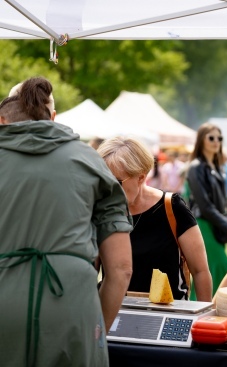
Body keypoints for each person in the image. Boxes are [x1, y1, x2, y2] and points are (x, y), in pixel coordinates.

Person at [0, 77, 133, 366]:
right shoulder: (89, 160)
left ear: (2, 118)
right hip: (72, 306)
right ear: (54, 118)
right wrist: (95, 332)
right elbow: (121, 269)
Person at [98, 137, 212, 302]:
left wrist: (203, 319)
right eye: (102, 181)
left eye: (116, 182)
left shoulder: (171, 208)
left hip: (167, 314)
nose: (108, 189)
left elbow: (200, 271)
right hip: (114, 314)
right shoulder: (100, 212)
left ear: (141, 177)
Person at [187, 123, 227, 298]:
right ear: (201, 140)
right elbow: (205, 206)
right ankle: (200, 310)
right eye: (211, 137)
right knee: (220, 266)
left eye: (219, 138)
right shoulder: (196, 167)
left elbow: (222, 204)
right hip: (202, 224)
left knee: (213, 269)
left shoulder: (218, 168)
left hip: (215, 224)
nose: (216, 141)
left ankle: (215, 311)